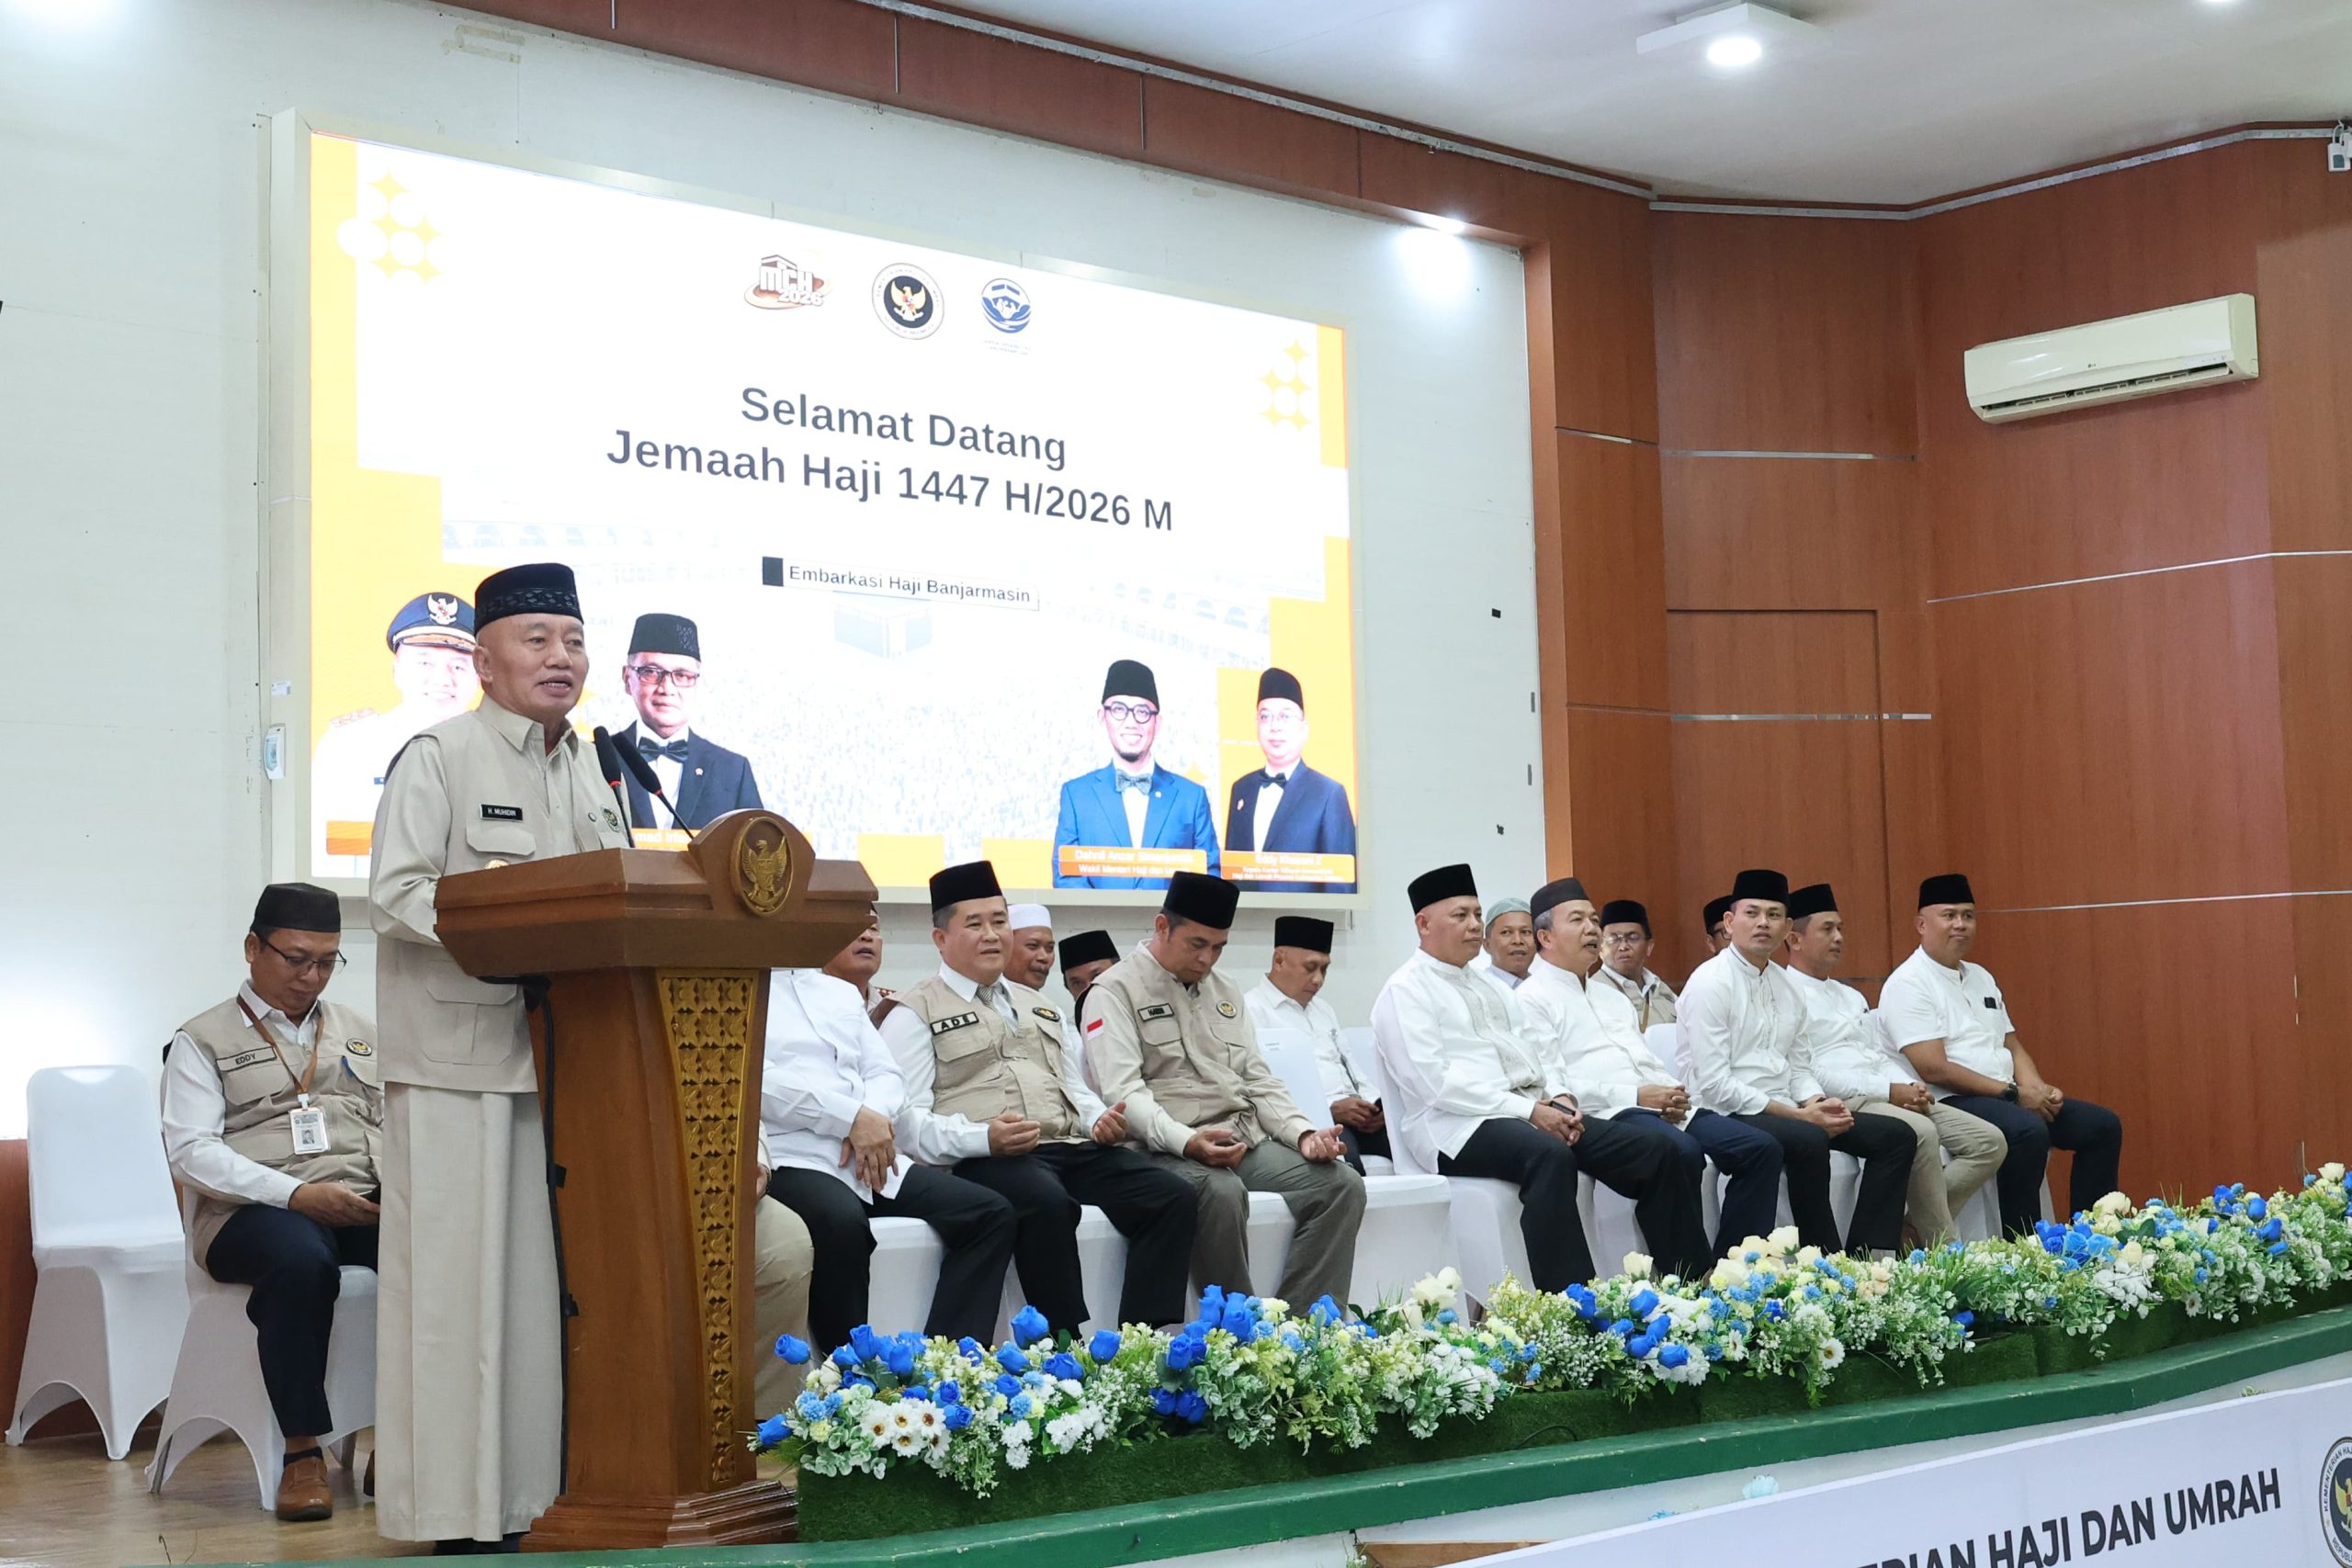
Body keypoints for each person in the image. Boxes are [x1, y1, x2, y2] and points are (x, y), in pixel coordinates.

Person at [368, 561, 632, 1551]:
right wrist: (516, 938)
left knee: (533, 1306)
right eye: (538, 640)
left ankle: (527, 1501)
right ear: (483, 662)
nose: (562, 658)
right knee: (454, 1302)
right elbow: (397, 893)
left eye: (574, 641)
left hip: (569, 1068)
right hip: (458, 1067)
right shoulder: (438, 756)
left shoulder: (594, 768)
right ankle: (451, 1513)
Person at [876, 863, 1195, 1333]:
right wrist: (983, 1138)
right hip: (984, 1158)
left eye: (999, 921)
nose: (992, 935)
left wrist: (1097, 1120)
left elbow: (1073, 1086)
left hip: (1068, 1146)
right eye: (975, 924)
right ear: (941, 939)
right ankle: (1061, 1343)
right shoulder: (914, 1011)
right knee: (1045, 1202)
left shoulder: (1040, 1005)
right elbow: (906, 1123)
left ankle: (1141, 1339)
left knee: (1171, 1196)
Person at [162, 882, 382, 1522]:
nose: (310, 976)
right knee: (298, 1259)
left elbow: (395, 1122)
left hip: (356, 1197)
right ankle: (302, 1451)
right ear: (253, 948)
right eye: (296, 958)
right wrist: (295, 1194)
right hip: (250, 1214)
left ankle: (407, 1437)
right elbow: (190, 1152)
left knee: (439, 1247)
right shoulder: (201, 1039)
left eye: (327, 962)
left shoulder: (360, 1031)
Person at [1083, 873, 1363, 1303]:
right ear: (1162, 927)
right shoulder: (1113, 991)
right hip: (1162, 1148)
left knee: (1340, 1185)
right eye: (1197, 944)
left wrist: (1303, 1134)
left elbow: (1257, 1078)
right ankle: (1239, 1328)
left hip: (1239, 1138)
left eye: (1218, 947)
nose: (1207, 958)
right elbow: (1124, 1094)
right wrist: (1188, 1141)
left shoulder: (1225, 989)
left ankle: (1303, 1329)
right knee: (1220, 1191)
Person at [1516, 876, 1780, 1261]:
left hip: (1656, 1106)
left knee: (1760, 1149)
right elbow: (1552, 1086)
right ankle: (1688, 1274)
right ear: (1545, 937)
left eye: (1594, 920)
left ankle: (1737, 1267)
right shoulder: (1530, 999)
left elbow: (1644, 1060)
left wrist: (1671, 1092)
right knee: (1679, 1151)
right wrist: (1638, 1095)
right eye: (1577, 920)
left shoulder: (1611, 997)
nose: (1592, 929)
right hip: (1609, 1111)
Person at [763, 963, 1016, 1356]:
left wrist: (872, 1119)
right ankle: (850, 1375)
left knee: (988, 1213)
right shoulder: (739, 993)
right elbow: (758, 1083)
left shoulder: (837, 991)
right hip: (792, 1154)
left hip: (872, 1150)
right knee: (841, 1224)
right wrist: (849, 1119)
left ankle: (946, 1362)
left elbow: (886, 1072)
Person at [1679, 868, 1916, 1257]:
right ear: (1730, 922)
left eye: (1773, 915)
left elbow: (1799, 1065)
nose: (1763, 923)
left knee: (1896, 1137)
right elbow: (1715, 1084)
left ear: (1787, 927)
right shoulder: (1710, 983)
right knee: (1807, 1138)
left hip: (1786, 1106)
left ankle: (1865, 1254)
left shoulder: (1787, 985)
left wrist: (1817, 1102)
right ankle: (1817, 1256)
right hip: (1723, 1110)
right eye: (1752, 913)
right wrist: (1799, 1116)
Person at [1880, 874, 2125, 1235]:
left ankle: (2093, 1238)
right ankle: (2022, 1245)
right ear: (1921, 924)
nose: (1960, 924)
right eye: (1949, 915)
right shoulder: (1908, 982)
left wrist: (2037, 1089)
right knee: (2027, 1131)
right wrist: (2013, 1093)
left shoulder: (1980, 976)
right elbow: (1934, 1068)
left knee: (2102, 1126)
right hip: (1951, 1100)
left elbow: (2010, 1043)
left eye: (1968, 916)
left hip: (2006, 1093)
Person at [1781, 884, 2005, 1247]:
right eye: (1827, 929)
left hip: (1885, 1090)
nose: (1839, 938)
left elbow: (1876, 1053)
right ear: (1795, 939)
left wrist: (1910, 1087)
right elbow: (1807, 1071)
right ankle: (1945, 1249)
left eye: (1841, 928)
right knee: (1922, 1132)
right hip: (1844, 1098)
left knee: (1989, 1142)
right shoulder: (1786, 995)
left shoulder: (1849, 994)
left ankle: (1909, 1227)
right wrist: (1889, 1090)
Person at [311, 592, 479, 875]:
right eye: (425, 663)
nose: (442, 679)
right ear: (397, 672)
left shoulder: (500, 753)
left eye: (458, 666)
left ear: (479, 676)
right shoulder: (347, 746)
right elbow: (323, 850)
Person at [1052, 660, 1220, 888]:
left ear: (1157, 723)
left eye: (1142, 712)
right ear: (1102, 717)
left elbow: (1209, 877)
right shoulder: (1077, 795)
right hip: (1097, 914)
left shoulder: (1191, 797)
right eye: (1119, 710)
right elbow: (1066, 877)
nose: (1131, 723)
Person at [1243, 916, 1386, 1173]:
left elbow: (1351, 1068)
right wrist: (1330, 1109)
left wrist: (1374, 1105)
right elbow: (1259, 1086)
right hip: (1307, 1121)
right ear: (1279, 960)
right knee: (1346, 1162)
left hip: (1354, 1115)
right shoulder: (1250, 1011)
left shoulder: (1323, 1010)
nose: (1318, 980)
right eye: (1310, 968)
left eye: (1324, 969)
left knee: (1414, 1144)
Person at [614, 612, 763, 830]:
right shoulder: (595, 759)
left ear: (697, 684)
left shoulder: (732, 771)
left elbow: (756, 845)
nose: (667, 689)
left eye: (682, 675)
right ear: (628, 679)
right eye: (651, 672)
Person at [1220, 667, 1357, 893]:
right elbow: (1231, 874)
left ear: (1304, 728)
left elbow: (1340, 886)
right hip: (1246, 915)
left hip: (1301, 915)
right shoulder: (1241, 789)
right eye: (1265, 716)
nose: (1274, 727)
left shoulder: (1328, 793)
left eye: (1285, 716)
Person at [1591, 899, 1678, 1030]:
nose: (1623, 946)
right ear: (1600, 948)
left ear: (1649, 947)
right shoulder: (1592, 993)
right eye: (1613, 938)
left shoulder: (1660, 988)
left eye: (1632, 938)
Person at [820, 902, 894, 1021]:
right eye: (855, 927)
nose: (867, 936)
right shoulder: (801, 1002)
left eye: (873, 929)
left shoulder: (894, 1010)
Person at [1469, 896, 1534, 991]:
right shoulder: (1477, 990)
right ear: (1487, 945)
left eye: (1526, 932)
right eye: (1506, 932)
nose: (1518, 940)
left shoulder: (1546, 989)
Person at [1058, 930, 1119, 1028]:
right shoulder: (1068, 1034)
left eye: (1098, 976)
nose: (1089, 990)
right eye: (1077, 983)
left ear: (1120, 973)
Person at [1003, 903, 1057, 990]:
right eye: (1033, 946)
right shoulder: (985, 997)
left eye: (1050, 948)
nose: (1044, 957)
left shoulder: (1043, 1000)